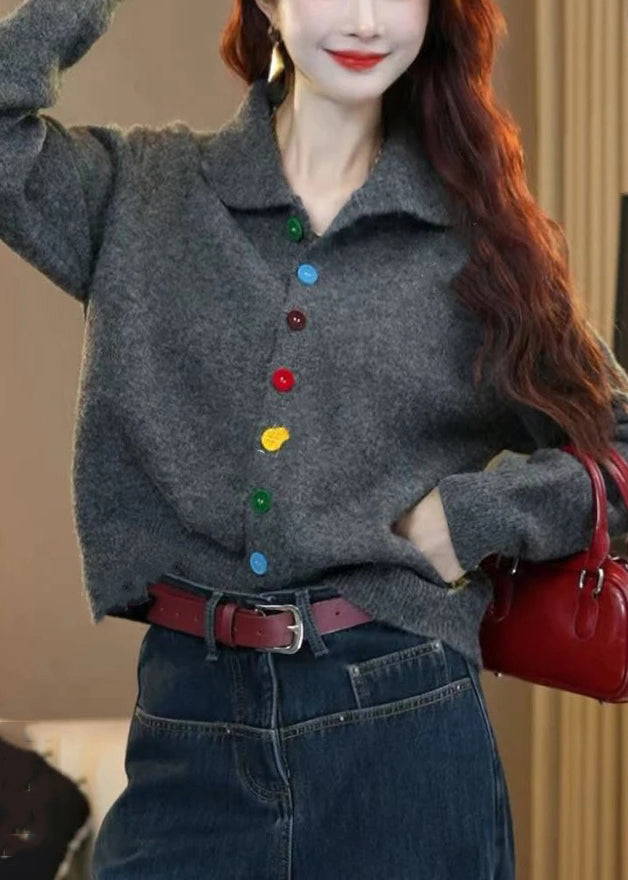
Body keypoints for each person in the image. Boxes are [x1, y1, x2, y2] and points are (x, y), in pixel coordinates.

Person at [3, 0, 628, 877]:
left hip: (404, 731)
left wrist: (471, 519)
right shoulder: (144, 192)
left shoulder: (481, 245)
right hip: (188, 730)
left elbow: (617, 441)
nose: (367, 20)